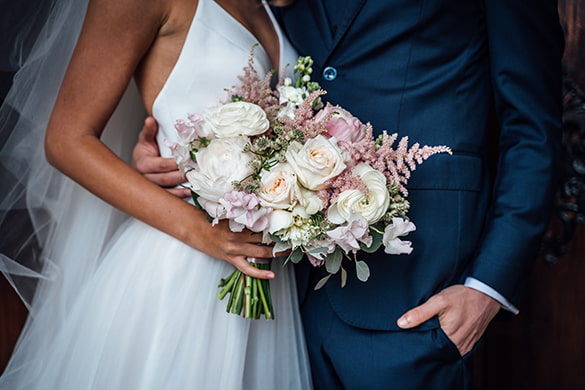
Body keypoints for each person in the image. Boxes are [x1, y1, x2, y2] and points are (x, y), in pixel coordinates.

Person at [134, 0, 565, 388]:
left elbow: (532, 130)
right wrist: (184, 147)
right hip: (274, 286)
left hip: (416, 284)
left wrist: (487, 288)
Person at [0, 0, 312, 388]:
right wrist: (204, 232)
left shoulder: (271, 6)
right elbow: (66, 140)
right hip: (181, 265)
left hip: (264, 278)